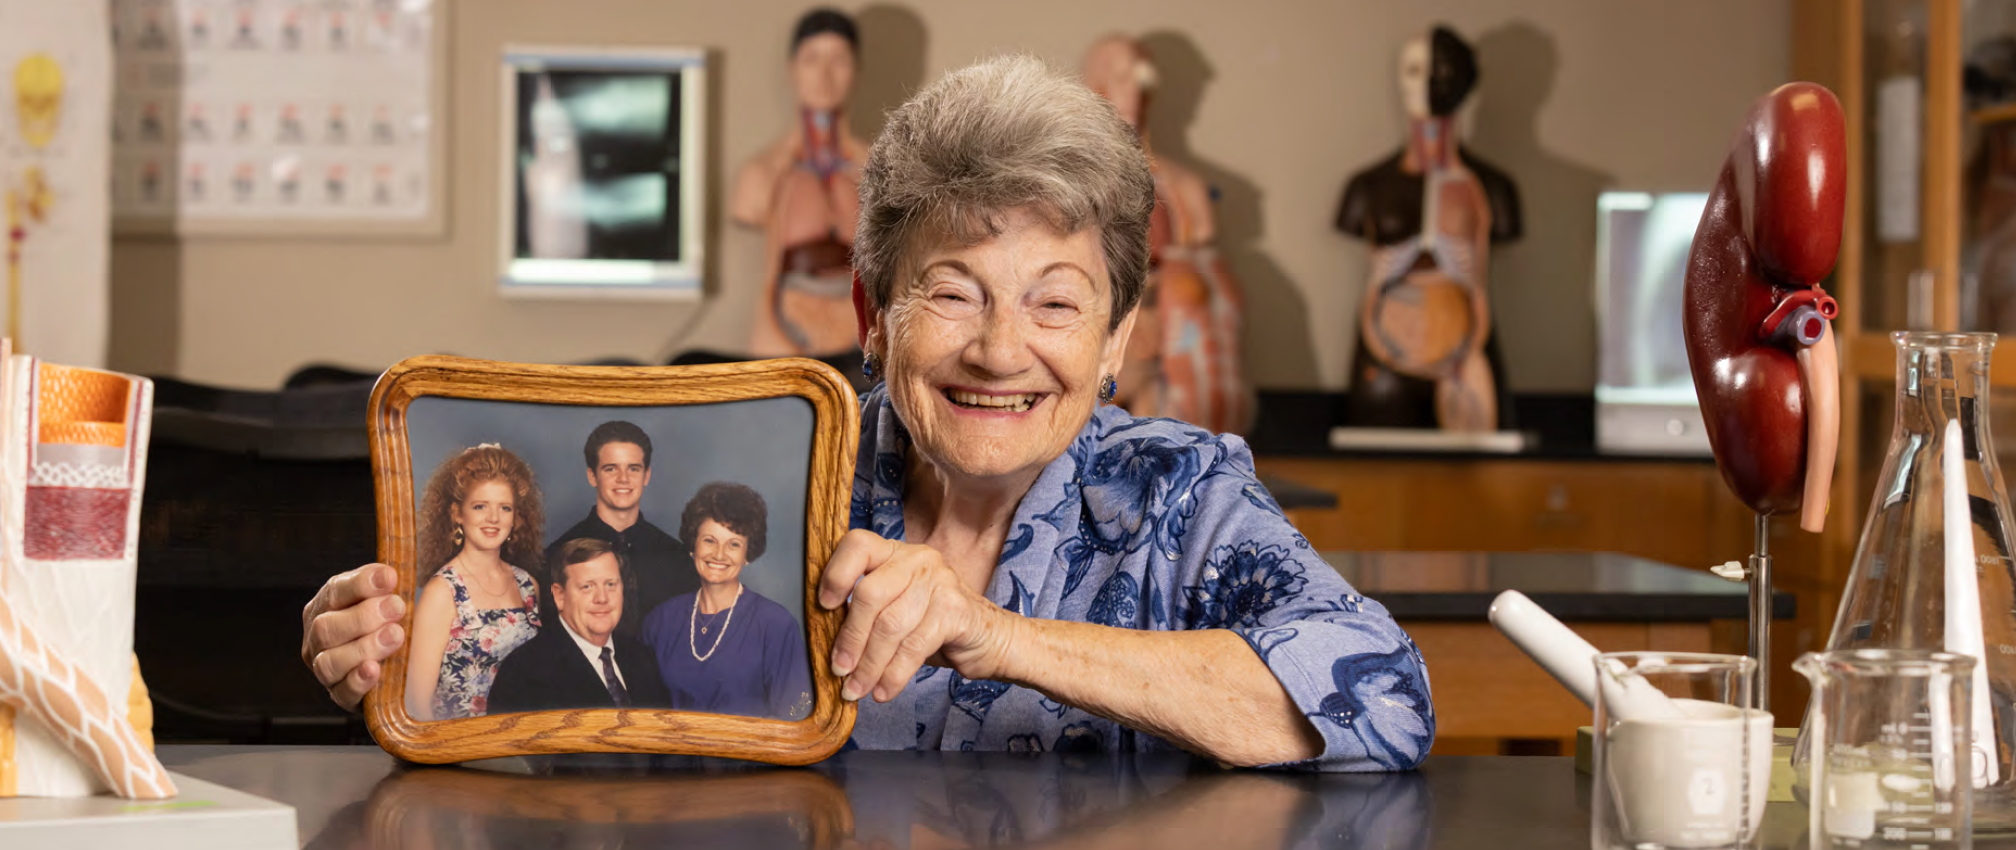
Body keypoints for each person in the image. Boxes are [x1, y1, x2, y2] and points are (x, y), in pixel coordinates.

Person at [305, 55, 1434, 770]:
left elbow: (1382, 695)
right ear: (872, 314)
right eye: (952, 292)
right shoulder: (777, 473)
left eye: (1056, 302)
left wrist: (998, 636)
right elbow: (606, 717)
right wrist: (404, 676)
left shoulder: (1180, 491)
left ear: (1116, 340)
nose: (1001, 349)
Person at [733, 7, 867, 358]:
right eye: (812, 60)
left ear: (856, 70)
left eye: (839, 61)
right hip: (785, 324)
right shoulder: (762, 171)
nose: (825, 76)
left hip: (860, 329)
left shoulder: (876, 168)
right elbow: (749, 206)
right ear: (793, 69)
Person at [640, 482, 813, 720]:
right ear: (693, 546)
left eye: (734, 544)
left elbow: (795, 715)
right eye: (709, 541)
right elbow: (641, 709)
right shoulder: (660, 621)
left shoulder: (776, 625)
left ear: (747, 554)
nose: (719, 554)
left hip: (750, 745)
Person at [405, 445, 546, 721]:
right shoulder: (442, 592)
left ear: (517, 518)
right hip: (459, 742)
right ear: (457, 513)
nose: (493, 518)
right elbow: (416, 704)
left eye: (505, 508)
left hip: (523, 740)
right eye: (480, 506)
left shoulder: (528, 585)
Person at [544, 421, 697, 639]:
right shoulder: (557, 555)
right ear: (592, 476)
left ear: (646, 475)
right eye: (611, 469)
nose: (623, 479)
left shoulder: (677, 557)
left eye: (633, 468)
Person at [488, 538, 673, 713]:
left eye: (610, 584)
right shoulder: (524, 671)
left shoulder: (641, 657)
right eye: (587, 587)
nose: (602, 598)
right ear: (560, 596)